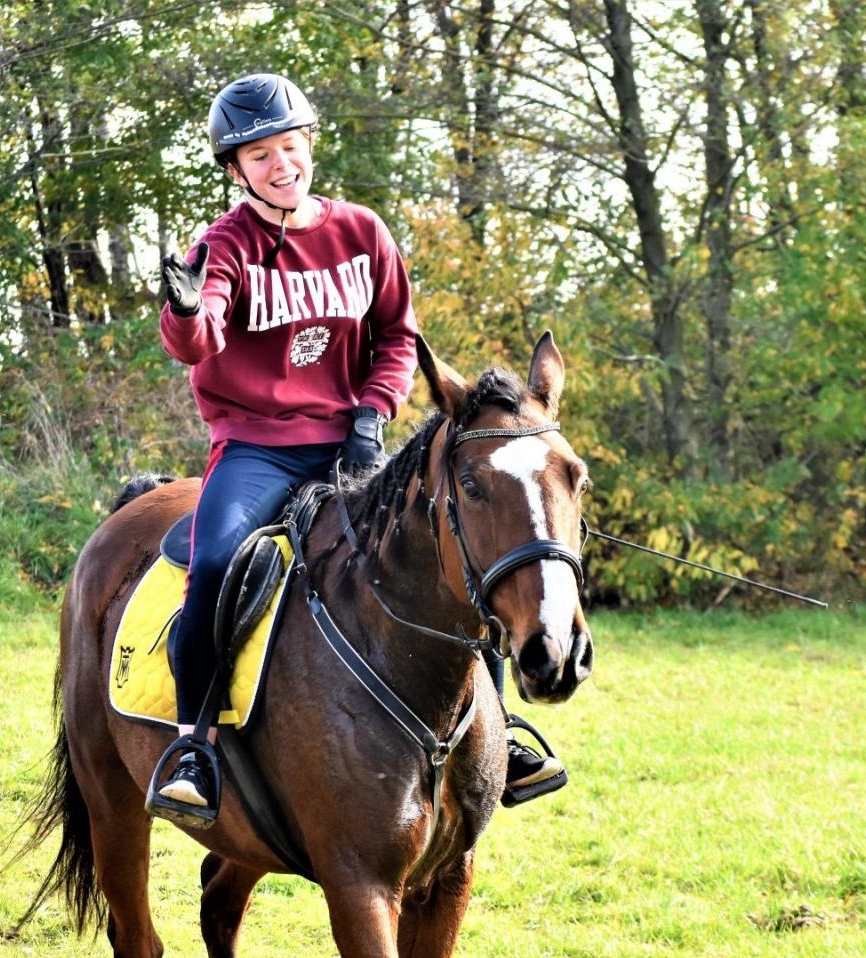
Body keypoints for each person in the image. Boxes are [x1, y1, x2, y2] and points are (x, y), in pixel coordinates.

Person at [149, 72, 564, 830]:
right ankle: (192, 748)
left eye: (290, 146)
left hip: (354, 442)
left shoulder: (362, 232)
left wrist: (373, 414)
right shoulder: (224, 244)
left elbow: (397, 336)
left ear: (309, 145)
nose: (281, 164)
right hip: (257, 449)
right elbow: (200, 335)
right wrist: (183, 308)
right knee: (213, 563)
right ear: (236, 170)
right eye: (260, 155)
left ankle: (504, 728)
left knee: (460, 548)